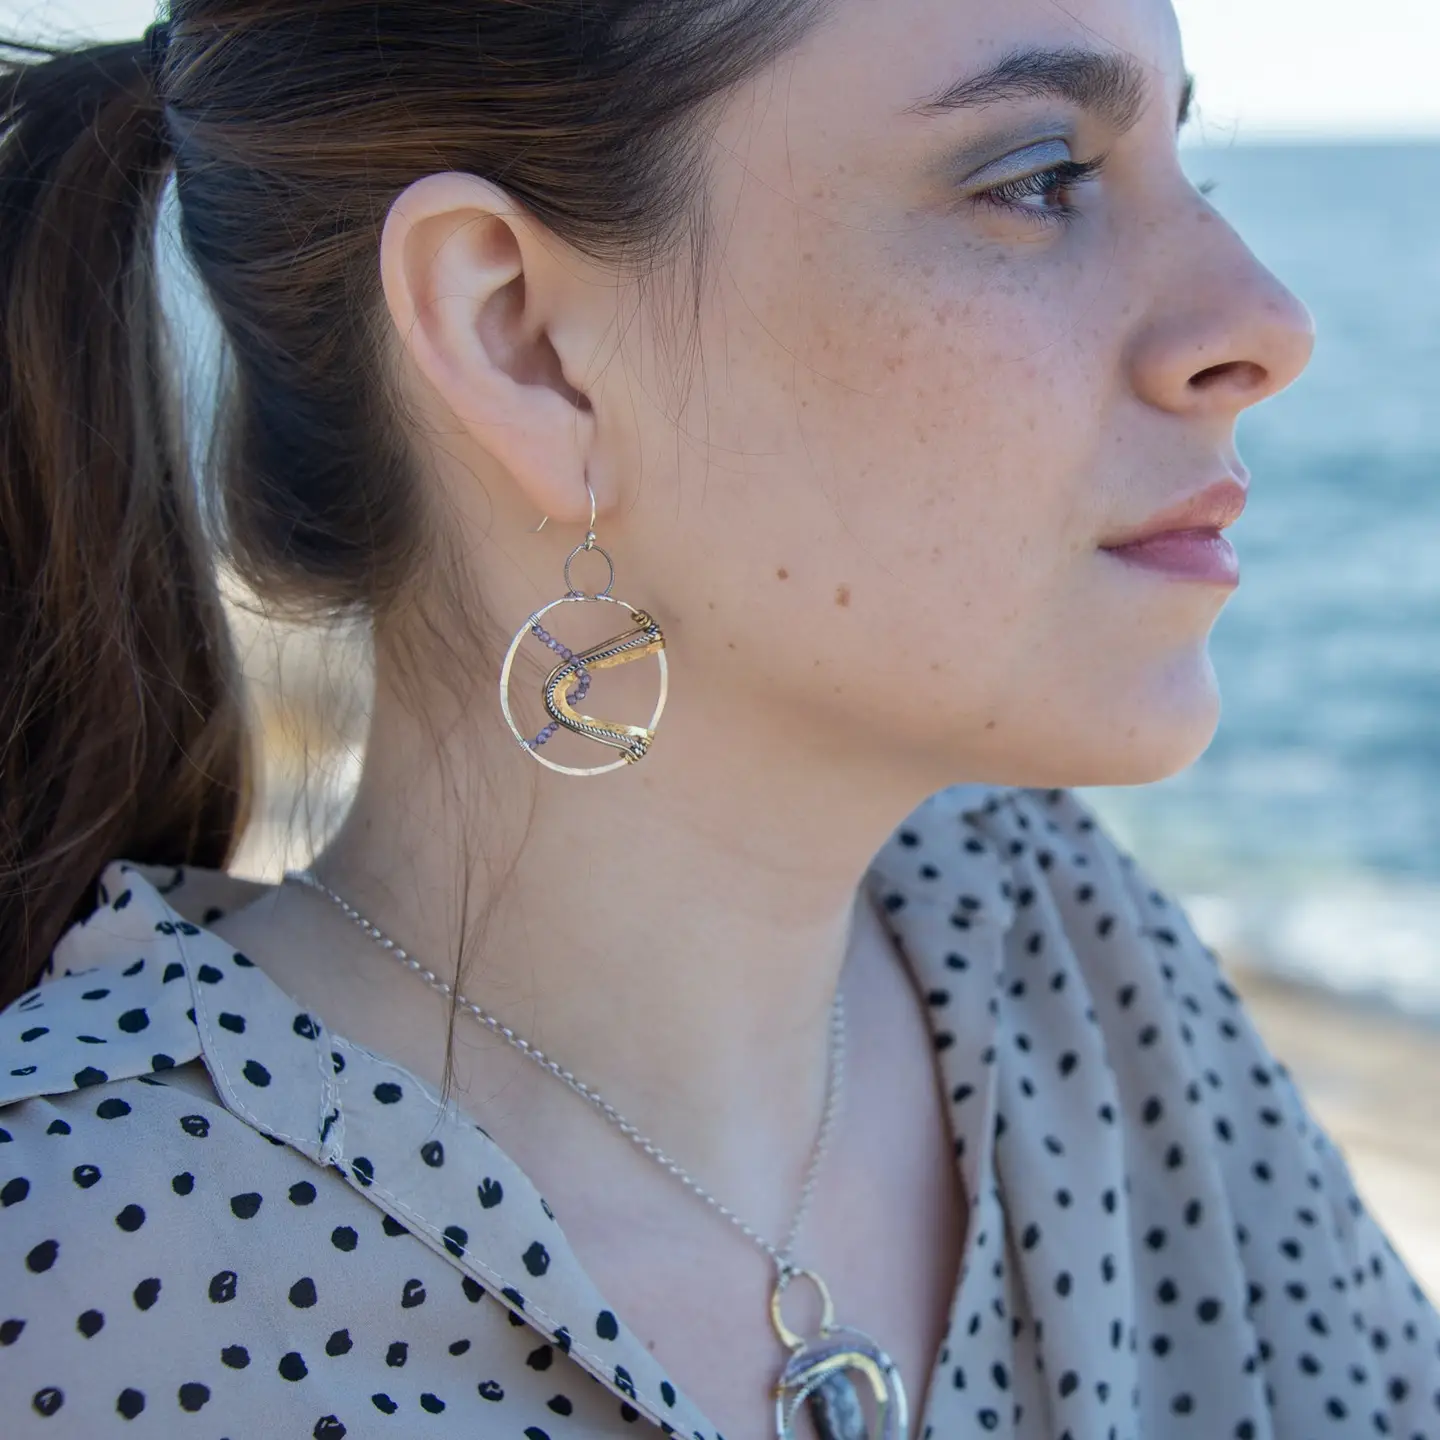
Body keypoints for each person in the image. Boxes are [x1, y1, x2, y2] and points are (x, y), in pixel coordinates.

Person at [0, 0, 1436, 1436]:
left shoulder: (1048, 945)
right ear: (525, 343)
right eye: (1040, 177)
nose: (1269, 324)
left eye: (1186, 170)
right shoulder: (71, 1290)